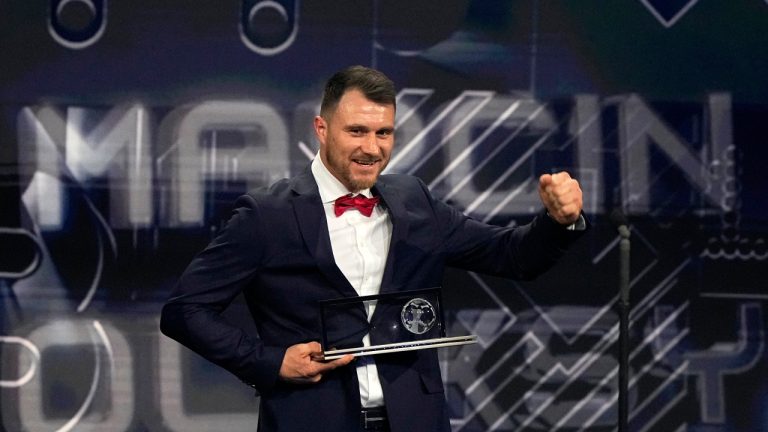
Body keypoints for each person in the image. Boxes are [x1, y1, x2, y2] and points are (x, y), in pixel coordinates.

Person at [160, 65, 587, 431]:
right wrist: (270, 362)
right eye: (357, 131)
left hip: (415, 420)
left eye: (384, 132)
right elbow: (184, 311)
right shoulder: (266, 216)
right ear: (322, 128)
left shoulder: (414, 200)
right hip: (311, 421)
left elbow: (513, 255)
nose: (372, 148)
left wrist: (557, 222)